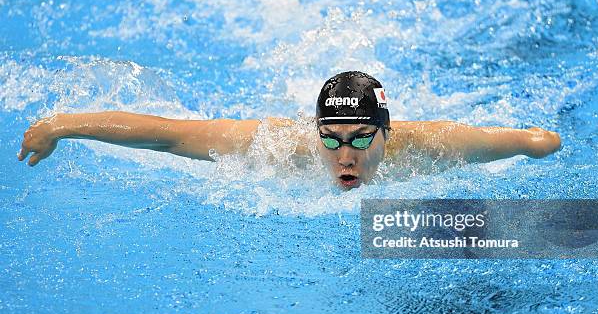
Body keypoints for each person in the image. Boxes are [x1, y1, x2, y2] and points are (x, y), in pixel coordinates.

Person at [18, 71, 561, 189]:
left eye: (358, 137)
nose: (342, 154)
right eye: (330, 137)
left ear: (386, 135)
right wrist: (61, 125)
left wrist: (544, 142)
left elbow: (532, 141)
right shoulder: (277, 148)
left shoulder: (434, 146)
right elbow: (166, 133)